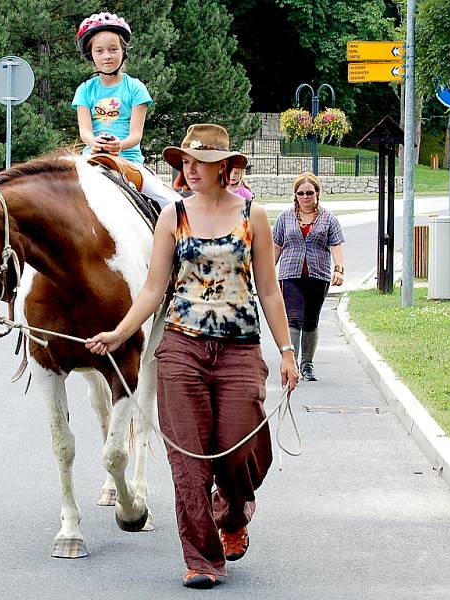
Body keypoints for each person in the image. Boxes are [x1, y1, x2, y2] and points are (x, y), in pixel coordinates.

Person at [85, 123, 299, 589]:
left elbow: (269, 289)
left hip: (239, 349)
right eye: (184, 161)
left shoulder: (253, 216)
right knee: (188, 460)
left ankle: (234, 509)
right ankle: (202, 558)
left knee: (242, 447)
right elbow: (152, 289)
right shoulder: (173, 217)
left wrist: (286, 350)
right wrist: (121, 332)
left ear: (224, 167)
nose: (188, 169)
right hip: (181, 348)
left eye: (197, 162)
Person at [72, 12, 177, 208]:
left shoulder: (136, 88)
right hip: (91, 157)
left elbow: (136, 134)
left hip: (129, 161)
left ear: (123, 51)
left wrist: (119, 146)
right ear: (91, 55)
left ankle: (184, 234)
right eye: (99, 51)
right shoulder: (85, 90)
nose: (107, 56)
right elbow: (84, 130)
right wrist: (94, 142)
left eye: (113, 49)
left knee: (173, 202)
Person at [273, 172, 345, 382]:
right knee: (294, 318)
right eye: (301, 193)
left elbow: (336, 244)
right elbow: (276, 246)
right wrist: (267, 272)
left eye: (309, 193)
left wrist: (339, 269)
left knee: (311, 321)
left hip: (318, 275)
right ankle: (292, 363)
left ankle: (307, 365)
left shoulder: (328, 218)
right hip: (290, 274)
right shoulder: (285, 218)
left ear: (317, 194)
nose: (305, 197)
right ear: (295, 195)